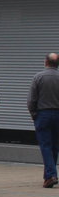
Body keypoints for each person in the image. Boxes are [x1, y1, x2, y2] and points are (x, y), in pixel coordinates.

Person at [26, 52, 59, 189]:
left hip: (43, 114)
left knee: (45, 146)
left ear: (46, 62)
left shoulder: (38, 77)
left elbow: (31, 99)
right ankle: (48, 178)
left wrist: (34, 114)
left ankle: (51, 175)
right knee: (54, 146)